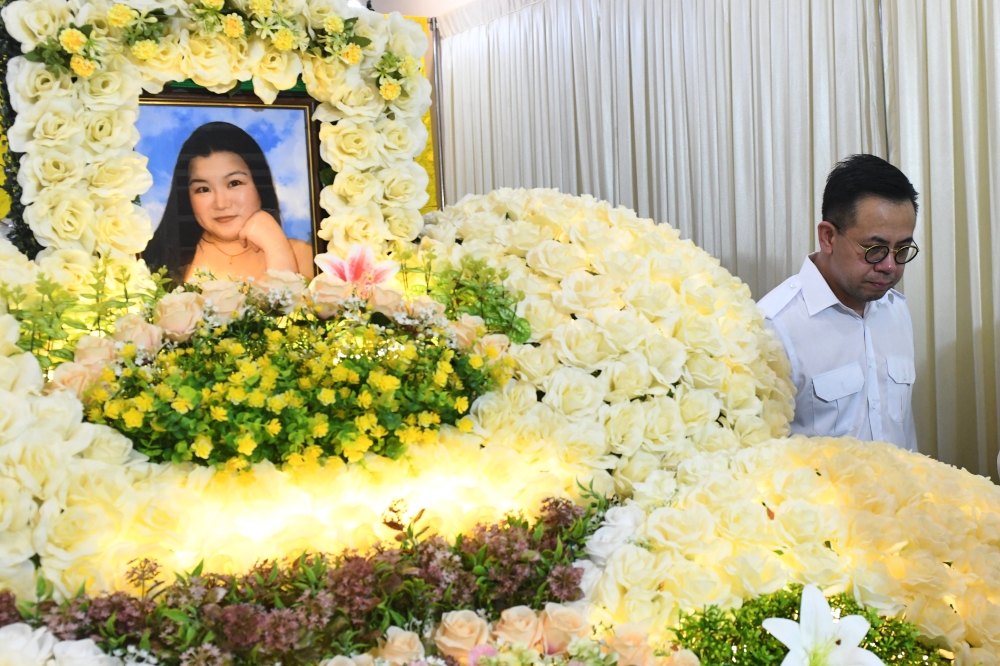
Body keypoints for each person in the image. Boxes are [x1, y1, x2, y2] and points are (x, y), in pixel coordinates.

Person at [759, 154, 919, 451]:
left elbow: (904, 434)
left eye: (903, 249)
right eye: (875, 249)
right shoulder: (773, 326)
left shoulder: (896, 310)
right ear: (828, 237)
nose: (889, 266)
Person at [142, 121, 314, 285]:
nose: (221, 204)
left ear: (259, 185)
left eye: (234, 183)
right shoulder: (154, 261)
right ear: (187, 196)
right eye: (203, 189)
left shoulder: (303, 255)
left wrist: (276, 247)